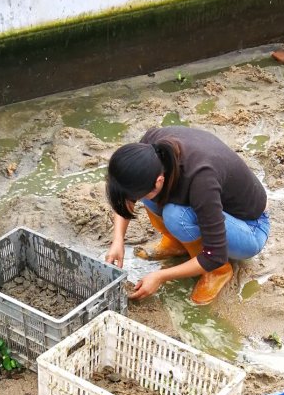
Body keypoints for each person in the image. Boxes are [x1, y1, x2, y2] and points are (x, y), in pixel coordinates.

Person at [104, 126, 269, 305]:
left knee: (177, 215)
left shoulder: (202, 181)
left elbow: (215, 255)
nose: (135, 200)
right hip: (212, 205)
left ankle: (218, 272)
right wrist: (118, 240)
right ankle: (178, 244)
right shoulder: (148, 150)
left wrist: (160, 276)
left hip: (250, 228)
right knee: (149, 197)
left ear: (159, 181)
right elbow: (126, 193)